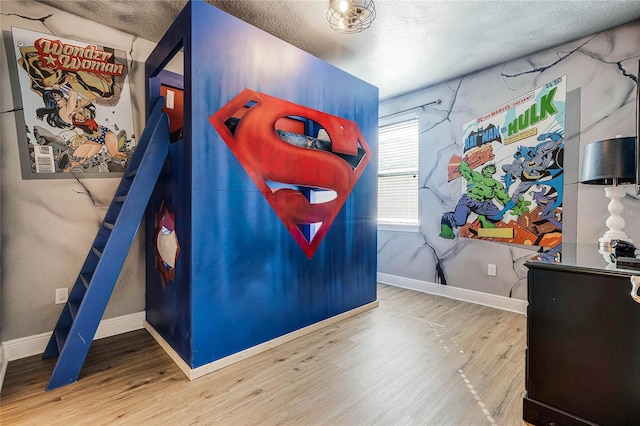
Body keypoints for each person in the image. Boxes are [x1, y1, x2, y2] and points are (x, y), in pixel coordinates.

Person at [36, 87, 125, 171]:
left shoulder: (73, 105)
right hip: (94, 136)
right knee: (78, 159)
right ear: (54, 104)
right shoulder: (63, 112)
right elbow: (73, 93)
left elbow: (86, 99)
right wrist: (61, 87)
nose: (63, 99)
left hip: (101, 132)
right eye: (59, 100)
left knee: (115, 153)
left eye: (61, 97)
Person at [439, 161, 529, 239]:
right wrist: (463, 164)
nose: (490, 171)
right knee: (460, 221)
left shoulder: (495, 184)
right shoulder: (474, 176)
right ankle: (446, 219)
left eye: (492, 170)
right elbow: (465, 170)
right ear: (483, 170)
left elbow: (504, 198)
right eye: (488, 169)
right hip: (467, 201)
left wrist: (516, 206)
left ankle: (483, 219)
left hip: (484, 205)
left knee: (498, 217)